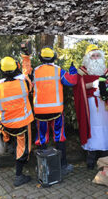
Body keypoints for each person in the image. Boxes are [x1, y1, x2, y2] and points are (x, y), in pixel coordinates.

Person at [0, 56, 34, 186]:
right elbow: (27, 76)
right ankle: (19, 176)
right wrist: (26, 57)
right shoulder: (24, 83)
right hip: (22, 124)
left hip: (6, 125)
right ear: (17, 67)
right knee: (23, 148)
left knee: (14, 143)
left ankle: (11, 148)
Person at [30, 47, 76, 176]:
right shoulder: (58, 71)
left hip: (39, 112)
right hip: (56, 111)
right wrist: (72, 71)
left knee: (41, 139)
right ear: (54, 57)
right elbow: (71, 82)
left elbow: (30, 86)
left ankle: (41, 167)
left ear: (40, 58)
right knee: (59, 137)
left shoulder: (35, 71)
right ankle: (63, 166)